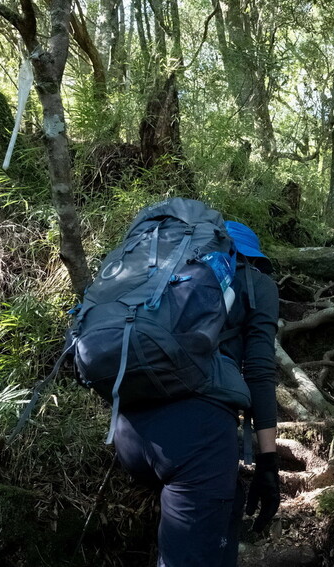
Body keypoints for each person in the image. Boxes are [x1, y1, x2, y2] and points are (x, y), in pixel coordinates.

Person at [112, 221, 280, 567]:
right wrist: (267, 462)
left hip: (128, 429)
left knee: (222, 512)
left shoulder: (166, 273)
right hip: (197, 436)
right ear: (248, 256)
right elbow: (260, 374)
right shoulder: (255, 282)